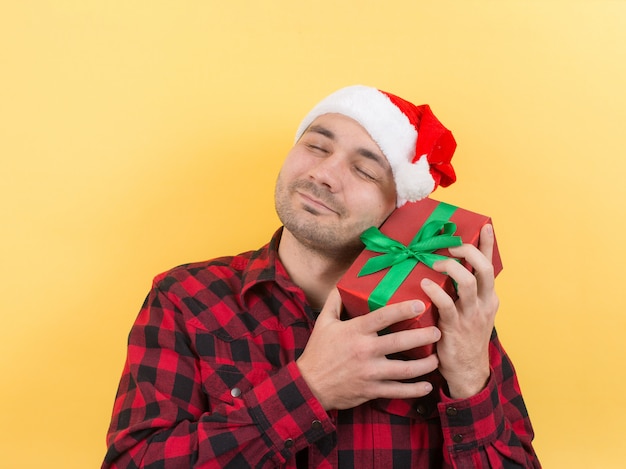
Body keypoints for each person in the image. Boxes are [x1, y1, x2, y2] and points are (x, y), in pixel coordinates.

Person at [102, 85, 540, 468]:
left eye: (365, 169)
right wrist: (309, 388)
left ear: (401, 207)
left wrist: (469, 379)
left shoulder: (446, 315)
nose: (324, 174)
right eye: (316, 146)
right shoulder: (186, 298)